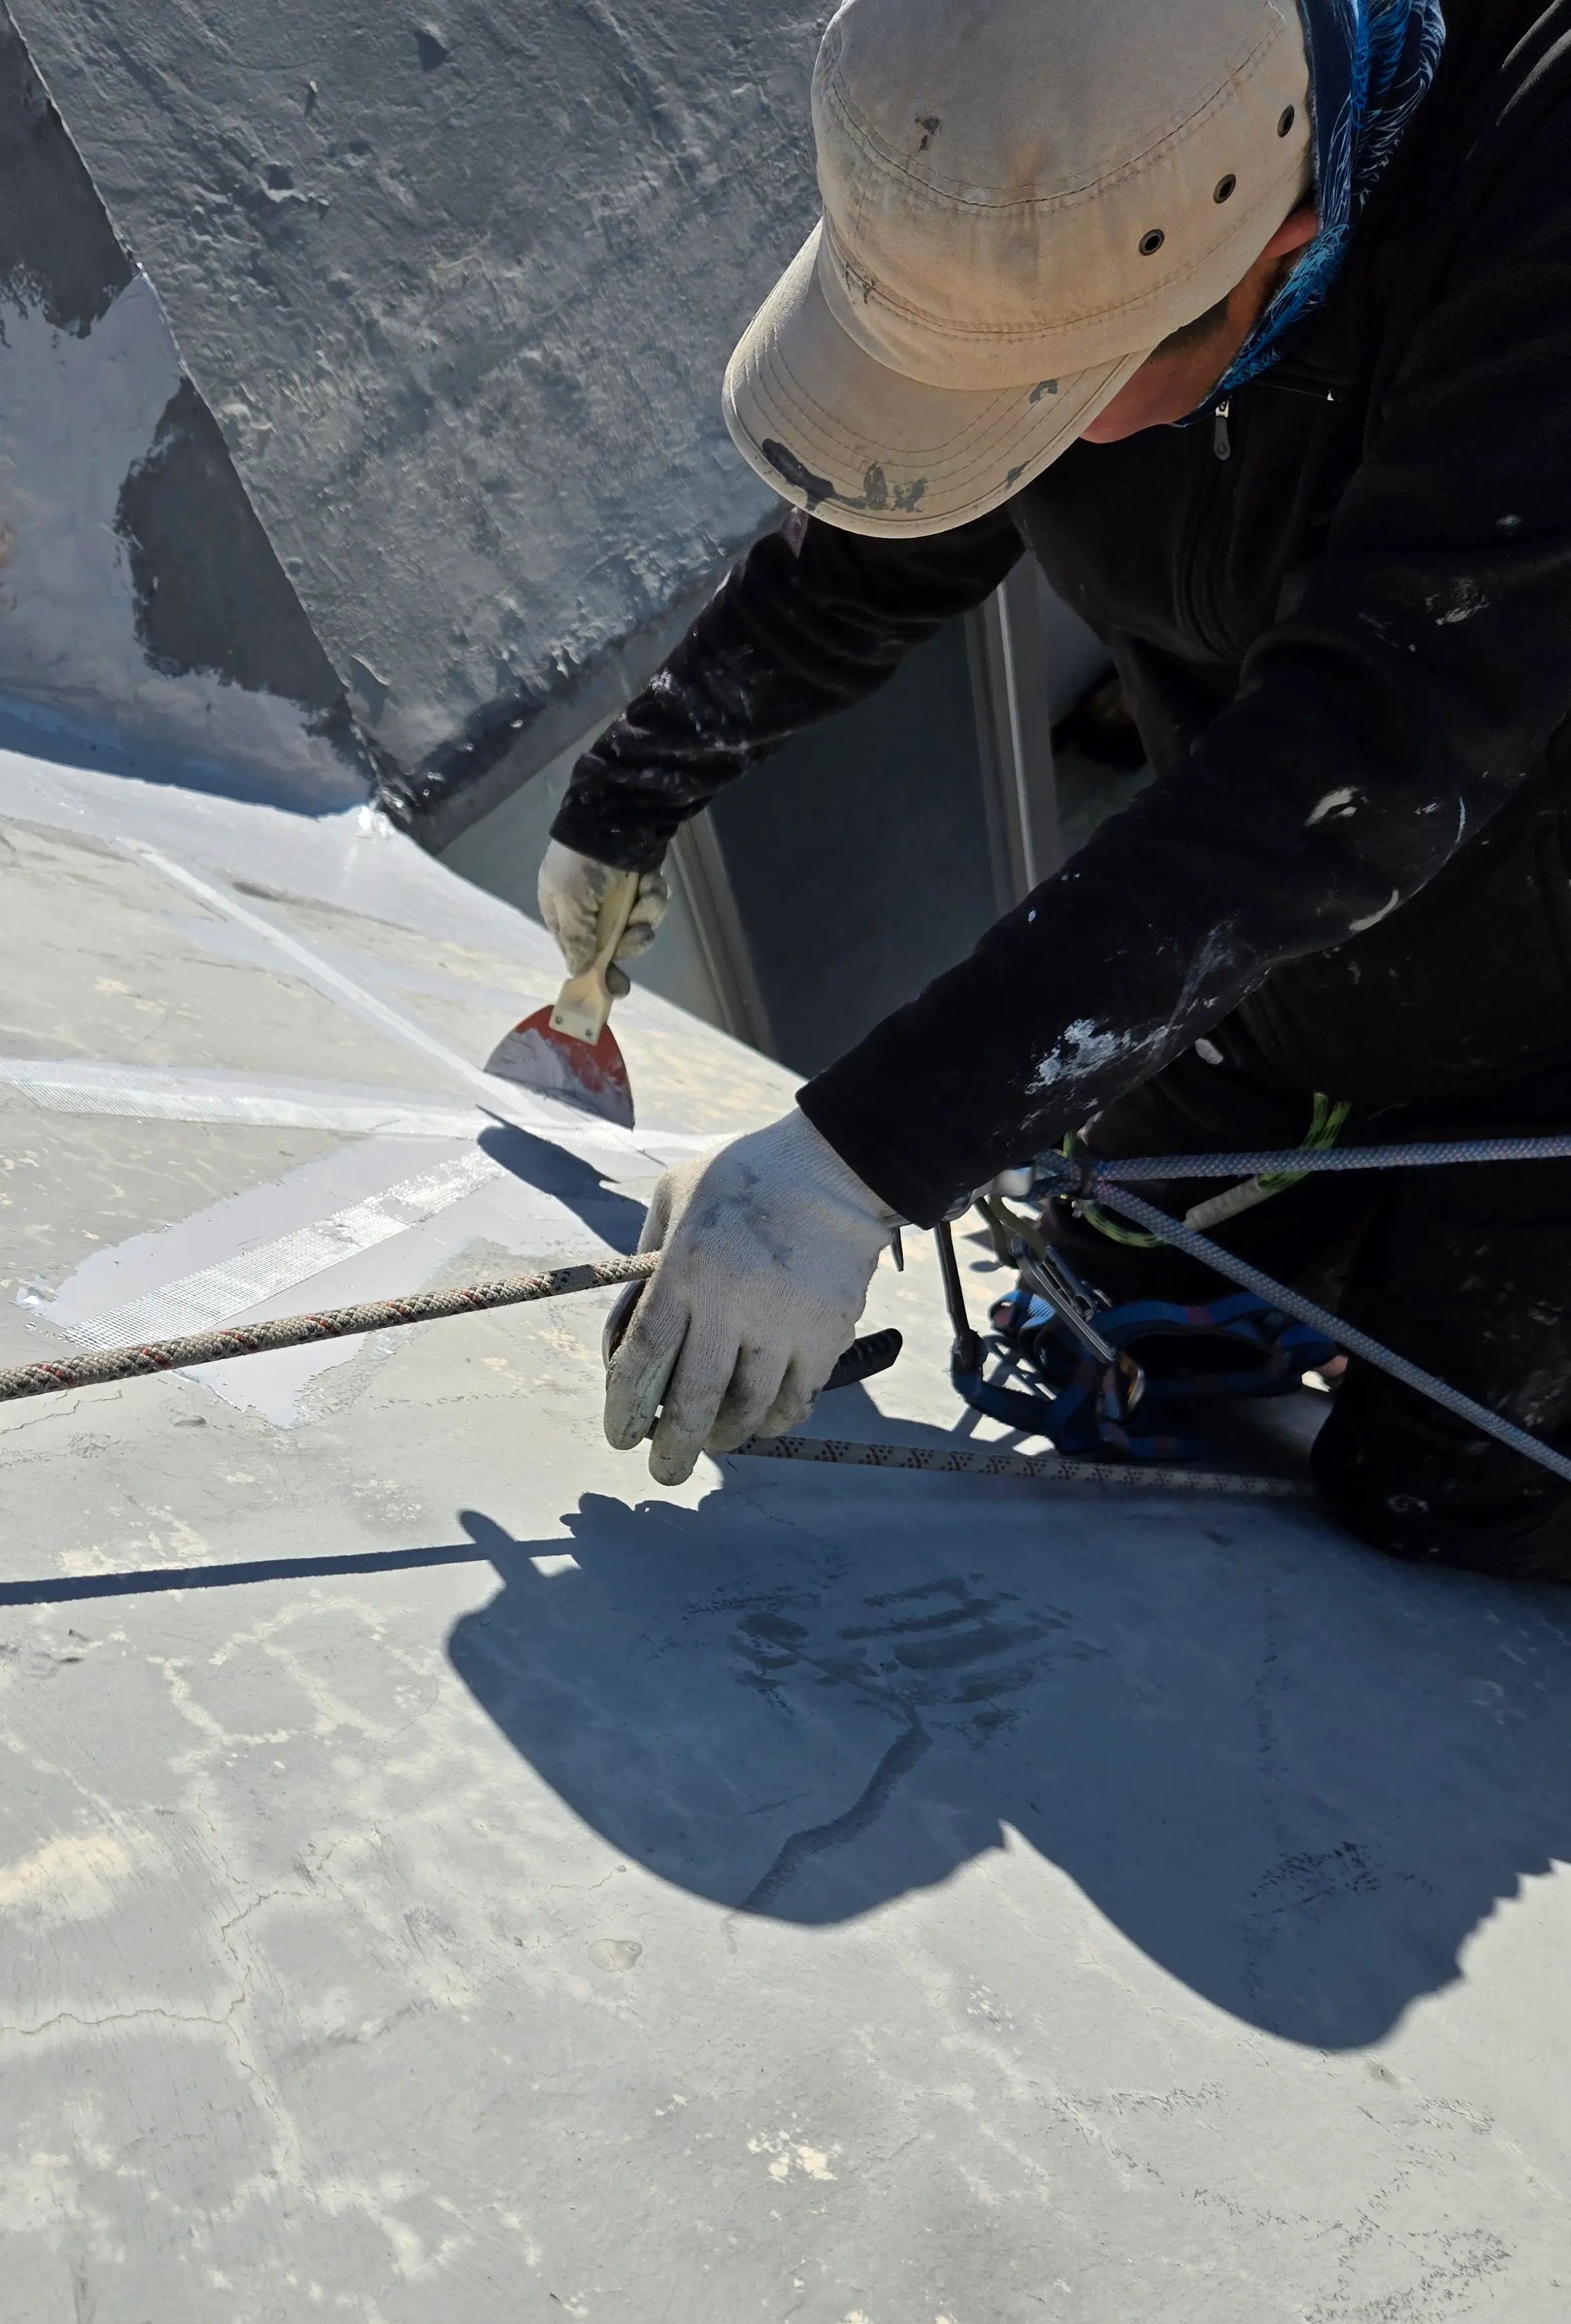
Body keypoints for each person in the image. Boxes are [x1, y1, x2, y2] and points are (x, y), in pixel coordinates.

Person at [540, 0, 1571, 1580]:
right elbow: (907, 522)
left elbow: (1364, 755)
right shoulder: (1102, 146)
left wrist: (861, 1156)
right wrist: (638, 779)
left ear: (1281, 258)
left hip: (1541, 1020)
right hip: (1278, 979)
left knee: (1442, 1493)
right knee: (1111, 1335)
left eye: (1044, 400)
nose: (1024, 448)